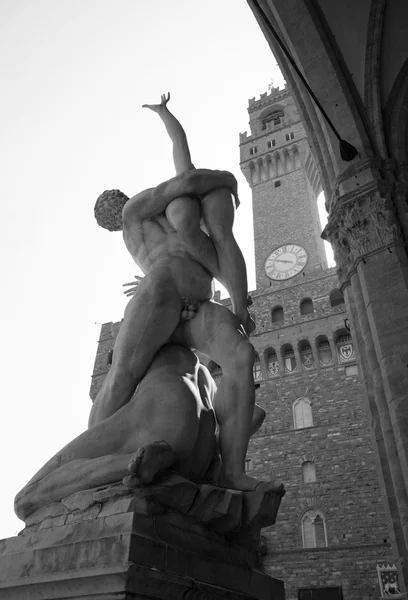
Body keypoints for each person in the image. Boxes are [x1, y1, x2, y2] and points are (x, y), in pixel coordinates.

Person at [15, 343, 271, 521]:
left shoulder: (153, 309)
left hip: (163, 406)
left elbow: (113, 389)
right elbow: (256, 415)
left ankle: (132, 461)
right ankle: (159, 459)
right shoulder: (205, 369)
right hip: (198, 449)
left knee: (25, 500)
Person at [133, 93, 253, 333]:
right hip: (213, 184)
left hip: (200, 189)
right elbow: (179, 141)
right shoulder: (184, 181)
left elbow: (179, 141)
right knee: (221, 237)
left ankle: (239, 304)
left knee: (209, 236)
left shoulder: (171, 213)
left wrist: (151, 277)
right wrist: (164, 113)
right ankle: (240, 305)